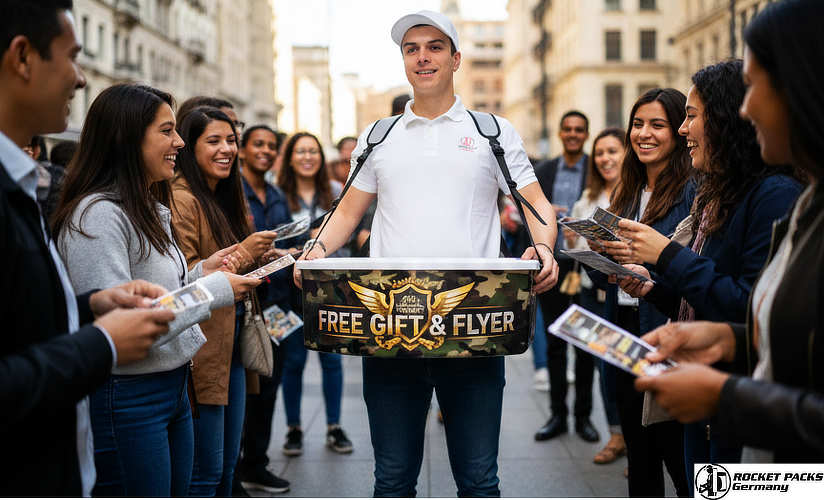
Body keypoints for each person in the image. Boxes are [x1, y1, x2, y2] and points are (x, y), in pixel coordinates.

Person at [294, 11, 559, 496]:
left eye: (435, 46)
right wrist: (314, 250)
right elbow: (347, 214)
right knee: (392, 480)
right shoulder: (378, 136)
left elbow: (537, 203)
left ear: (455, 59)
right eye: (412, 48)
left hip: (473, 325)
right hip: (390, 328)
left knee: (479, 481)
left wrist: (544, 248)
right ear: (404, 62)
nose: (423, 56)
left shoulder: (493, 132)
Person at [635, 0, 824, 463]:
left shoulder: (777, 193)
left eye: (755, 88)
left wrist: (728, 396)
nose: (749, 108)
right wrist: (726, 339)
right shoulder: (810, 203)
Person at [0, 1, 175, 495]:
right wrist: (101, 341)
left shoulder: (19, 185)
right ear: (22, 57)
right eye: (72, 56)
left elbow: (22, 324)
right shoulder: (93, 211)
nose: (80, 79)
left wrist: (90, 305)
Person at [52, 83, 262, 496]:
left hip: (172, 387)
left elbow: (162, 292)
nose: (179, 142)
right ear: (128, 138)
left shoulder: (148, 204)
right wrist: (216, 290)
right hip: (129, 396)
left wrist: (203, 270)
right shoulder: (98, 217)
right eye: (167, 131)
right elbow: (124, 327)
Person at [609, 60, 802, 485]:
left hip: (742, 403)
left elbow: (747, 306)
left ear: (727, 119)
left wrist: (666, 255)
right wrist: (652, 288)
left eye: (691, 116)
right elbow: (707, 296)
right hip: (711, 401)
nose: (682, 130)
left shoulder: (774, 194)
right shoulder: (722, 193)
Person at [590, 88, 695, 497]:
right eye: (638, 124)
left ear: (678, 131)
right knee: (639, 456)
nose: (644, 134)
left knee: (678, 456)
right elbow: (610, 283)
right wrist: (602, 257)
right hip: (624, 333)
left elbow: (693, 271)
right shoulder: (628, 191)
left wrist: (644, 272)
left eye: (657, 125)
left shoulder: (692, 192)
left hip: (667, 334)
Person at [171, 106, 278, 496]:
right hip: (204, 350)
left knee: (225, 465)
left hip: (230, 347)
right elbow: (183, 274)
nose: (226, 149)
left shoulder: (219, 196)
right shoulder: (183, 198)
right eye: (213, 141)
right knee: (207, 470)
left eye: (231, 140)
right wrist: (247, 252)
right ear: (189, 146)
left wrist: (261, 257)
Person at [276, 131, 354, 456]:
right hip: (287, 292)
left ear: (321, 158)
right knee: (292, 362)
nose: (307, 157)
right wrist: (299, 248)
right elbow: (270, 242)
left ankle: (334, 426)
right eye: (300, 151)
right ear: (290, 157)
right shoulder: (277, 195)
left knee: (331, 361)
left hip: (329, 292)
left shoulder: (336, 192)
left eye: (313, 151)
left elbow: (346, 241)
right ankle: (293, 428)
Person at [533, 110, 599, 443]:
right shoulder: (543, 171)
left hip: (587, 269)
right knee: (556, 344)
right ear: (560, 133)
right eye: (568, 128)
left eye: (579, 129)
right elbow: (529, 211)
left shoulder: (596, 169)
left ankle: (584, 417)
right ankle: (557, 415)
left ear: (586, 135)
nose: (573, 134)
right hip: (553, 266)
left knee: (585, 345)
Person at [236, 124, 292, 494]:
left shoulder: (275, 193)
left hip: (280, 306)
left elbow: (291, 239)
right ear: (243, 149)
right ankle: (236, 466)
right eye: (258, 144)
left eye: (272, 146)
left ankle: (257, 462)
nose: (266, 151)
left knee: (271, 383)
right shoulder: (233, 191)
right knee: (246, 388)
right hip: (246, 303)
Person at [565, 127, 626, 463]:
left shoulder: (638, 194)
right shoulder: (588, 198)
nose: (605, 159)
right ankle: (617, 435)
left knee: (627, 367)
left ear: (626, 155)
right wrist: (575, 237)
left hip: (629, 294)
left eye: (612, 151)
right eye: (600, 153)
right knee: (604, 367)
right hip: (592, 292)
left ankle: (640, 442)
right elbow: (569, 246)